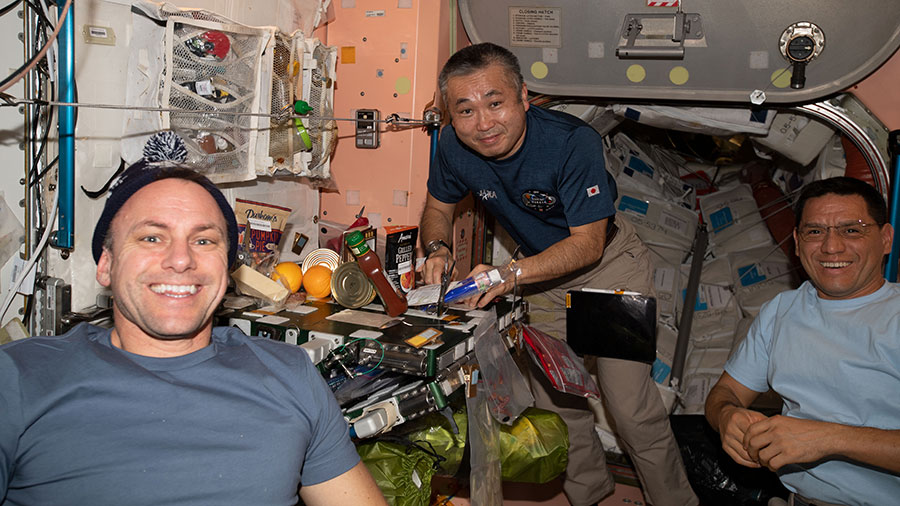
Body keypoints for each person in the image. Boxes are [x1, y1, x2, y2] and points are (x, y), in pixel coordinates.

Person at [0, 163, 387, 506]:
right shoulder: (20, 378)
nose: (181, 259)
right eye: (152, 237)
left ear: (227, 269)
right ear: (106, 265)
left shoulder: (290, 375)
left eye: (204, 241)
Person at [420, 42, 697, 506]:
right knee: (558, 402)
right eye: (465, 110)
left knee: (630, 409)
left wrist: (505, 276)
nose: (483, 124)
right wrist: (437, 247)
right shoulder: (452, 145)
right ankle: (590, 494)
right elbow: (436, 207)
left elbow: (587, 244)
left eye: (496, 102)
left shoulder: (571, 143)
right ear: (450, 115)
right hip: (540, 278)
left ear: (523, 96)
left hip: (610, 267)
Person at [705, 176, 900, 506]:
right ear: (796, 242)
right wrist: (726, 416)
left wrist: (828, 438)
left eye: (851, 229)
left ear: (885, 239)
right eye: (814, 231)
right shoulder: (782, 311)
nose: (831, 246)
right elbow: (725, 393)